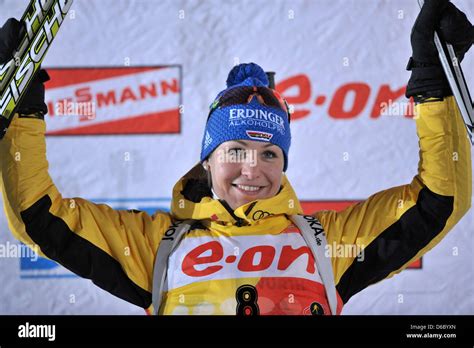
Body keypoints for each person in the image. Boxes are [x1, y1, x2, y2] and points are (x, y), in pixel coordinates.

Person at [0, 0, 472, 315]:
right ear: (207, 158)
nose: (253, 168)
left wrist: (433, 84)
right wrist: (24, 112)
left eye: (270, 152)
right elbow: (39, 216)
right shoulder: (156, 247)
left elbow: (438, 202)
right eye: (235, 150)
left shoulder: (327, 244)